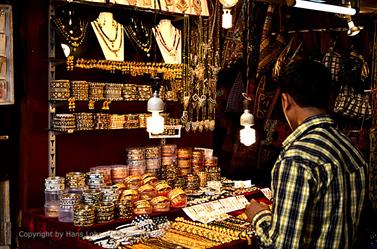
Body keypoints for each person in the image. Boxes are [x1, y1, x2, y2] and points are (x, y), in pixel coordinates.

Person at [245, 58, 368, 249]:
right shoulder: (350, 150)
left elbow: (282, 246)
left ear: (285, 101)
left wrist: (258, 216)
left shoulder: (296, 160)